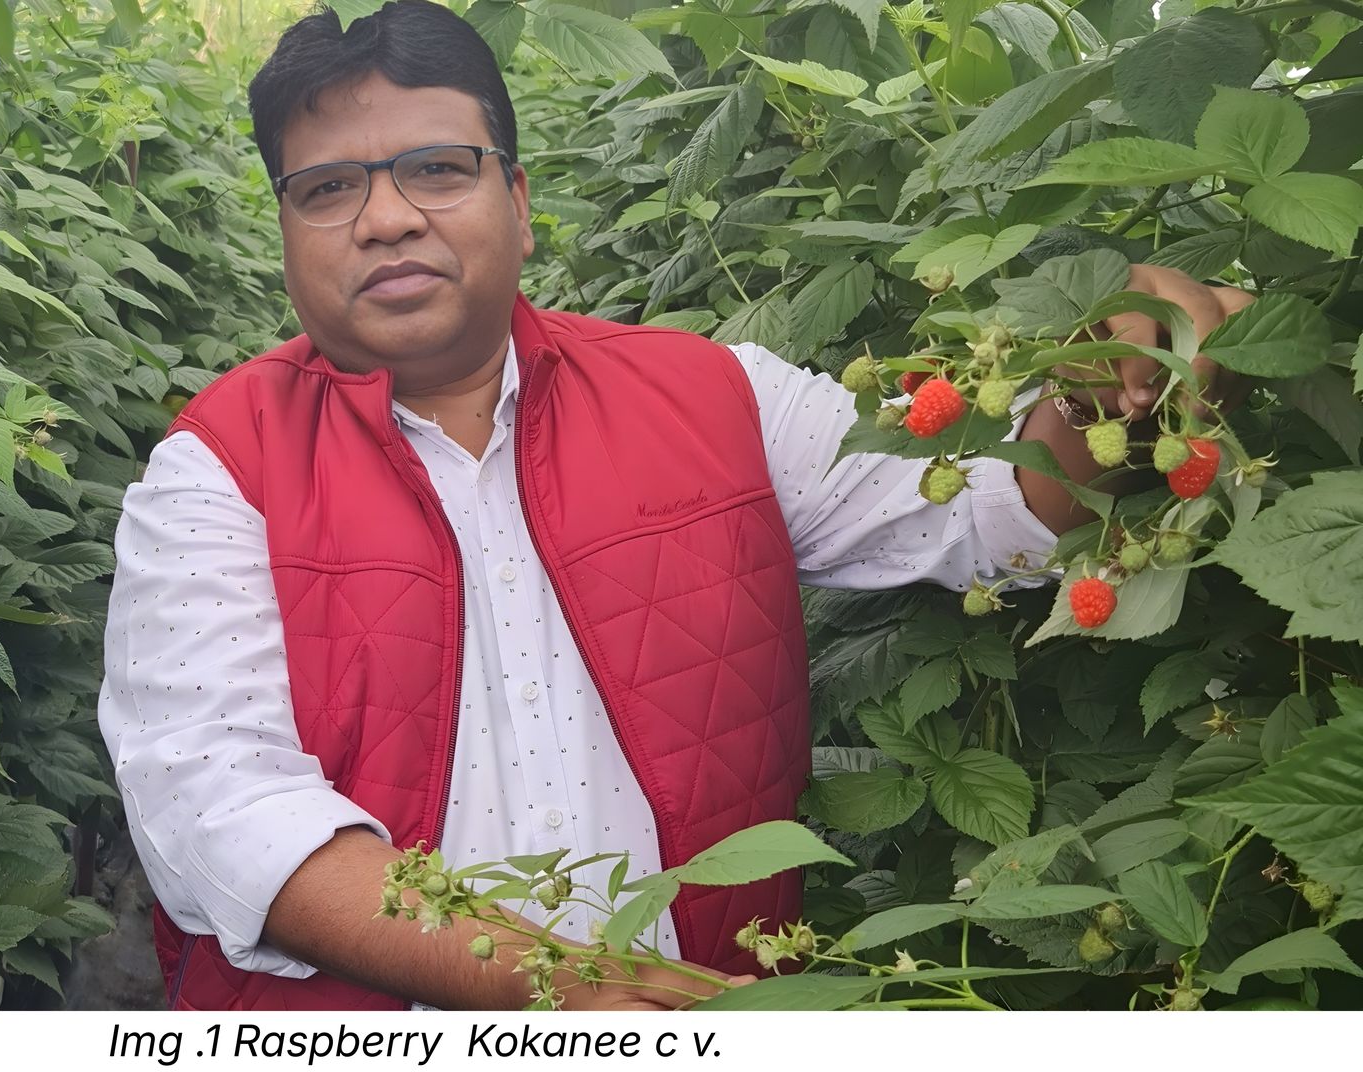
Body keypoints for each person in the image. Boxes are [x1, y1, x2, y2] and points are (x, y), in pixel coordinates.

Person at [96, 0, 1254, 1012]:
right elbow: (221, 807)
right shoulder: (215, 471)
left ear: (519, 198)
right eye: (330, 187)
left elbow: (990, 509)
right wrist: (570, 985)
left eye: (438, 168)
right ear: (288, 234)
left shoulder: (717, 395)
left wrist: (1135, 363)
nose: (387, 216)